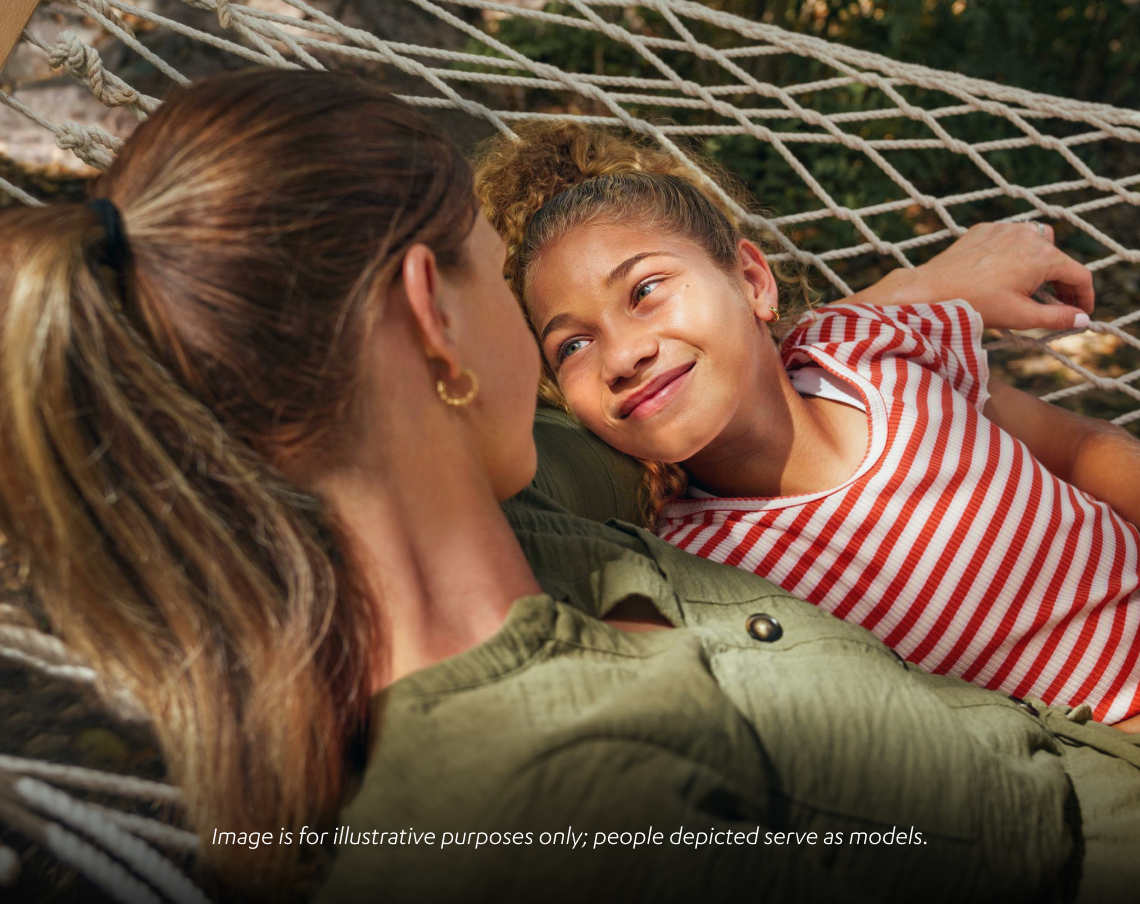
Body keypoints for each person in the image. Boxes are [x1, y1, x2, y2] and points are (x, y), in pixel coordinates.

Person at [1, 70, 1138, 904]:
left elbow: (733, 379)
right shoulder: (557, 800)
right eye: (518, 297)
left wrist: (914, 294)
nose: (595, 364)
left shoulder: (530, 498)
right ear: (433, 314)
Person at [474, 122, 1140, 730]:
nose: (621, 356)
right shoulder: (702, 570)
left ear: (752, 280)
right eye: (572, 346)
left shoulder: (865, 349)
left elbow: (1081, 447)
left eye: (645, 290)